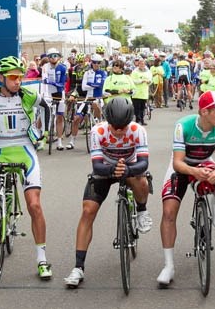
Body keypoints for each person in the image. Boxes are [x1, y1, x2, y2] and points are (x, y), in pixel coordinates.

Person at [0, 56, 53, 280]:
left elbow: (46, 108)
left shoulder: (28, 95)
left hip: (25, 151)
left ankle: (42, 258)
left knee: (34, 206)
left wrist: (44, 134)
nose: (19, 81)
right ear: (1, 78)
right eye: (13, 77)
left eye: (21, 76)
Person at [63, 98, 152, 289]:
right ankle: (78, 267)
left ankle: (142, 210)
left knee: (142, 179)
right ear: (107, 121)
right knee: (87, 211)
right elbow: (96, 165)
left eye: (123, 126)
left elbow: (144, 163)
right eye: (115, 126)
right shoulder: (98, 131)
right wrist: (113, 170)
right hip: (105, 168)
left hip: (131, 166)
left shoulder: (138, 130)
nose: (119, 131)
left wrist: (128, 170)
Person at [157, 91, 215, 287]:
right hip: (183, 165)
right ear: (204, 112)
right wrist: (193, 172)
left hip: (205, 162)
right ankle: (169, 266)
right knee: (168, 212)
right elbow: (177, 163)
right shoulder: (184, 125)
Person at [41, 48, 68, 150]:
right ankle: (39, 137)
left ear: (59, 57)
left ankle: (59, 141)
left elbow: (62, 82)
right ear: (48, 57)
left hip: (59, 93)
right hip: (48, 93)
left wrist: (54, 82)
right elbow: (44, 79)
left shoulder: (63, 67)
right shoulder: (45, 67)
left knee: (60, 116)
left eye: (55, 56)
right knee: (43, 115)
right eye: (51, 56)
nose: (53, 58)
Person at [131, 57, 152, 125]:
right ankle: (138, 120)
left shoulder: (148, 71)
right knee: (137, 108)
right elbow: (133, 81)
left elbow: (151, 80)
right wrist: (141, 81)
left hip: (144, 92)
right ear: (138, 64)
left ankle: (142, 120)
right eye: (140, 63)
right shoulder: (134, 72)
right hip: (136, 93)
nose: (142, 65)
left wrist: (149, 81)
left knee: (143, 108)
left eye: (143, 63)